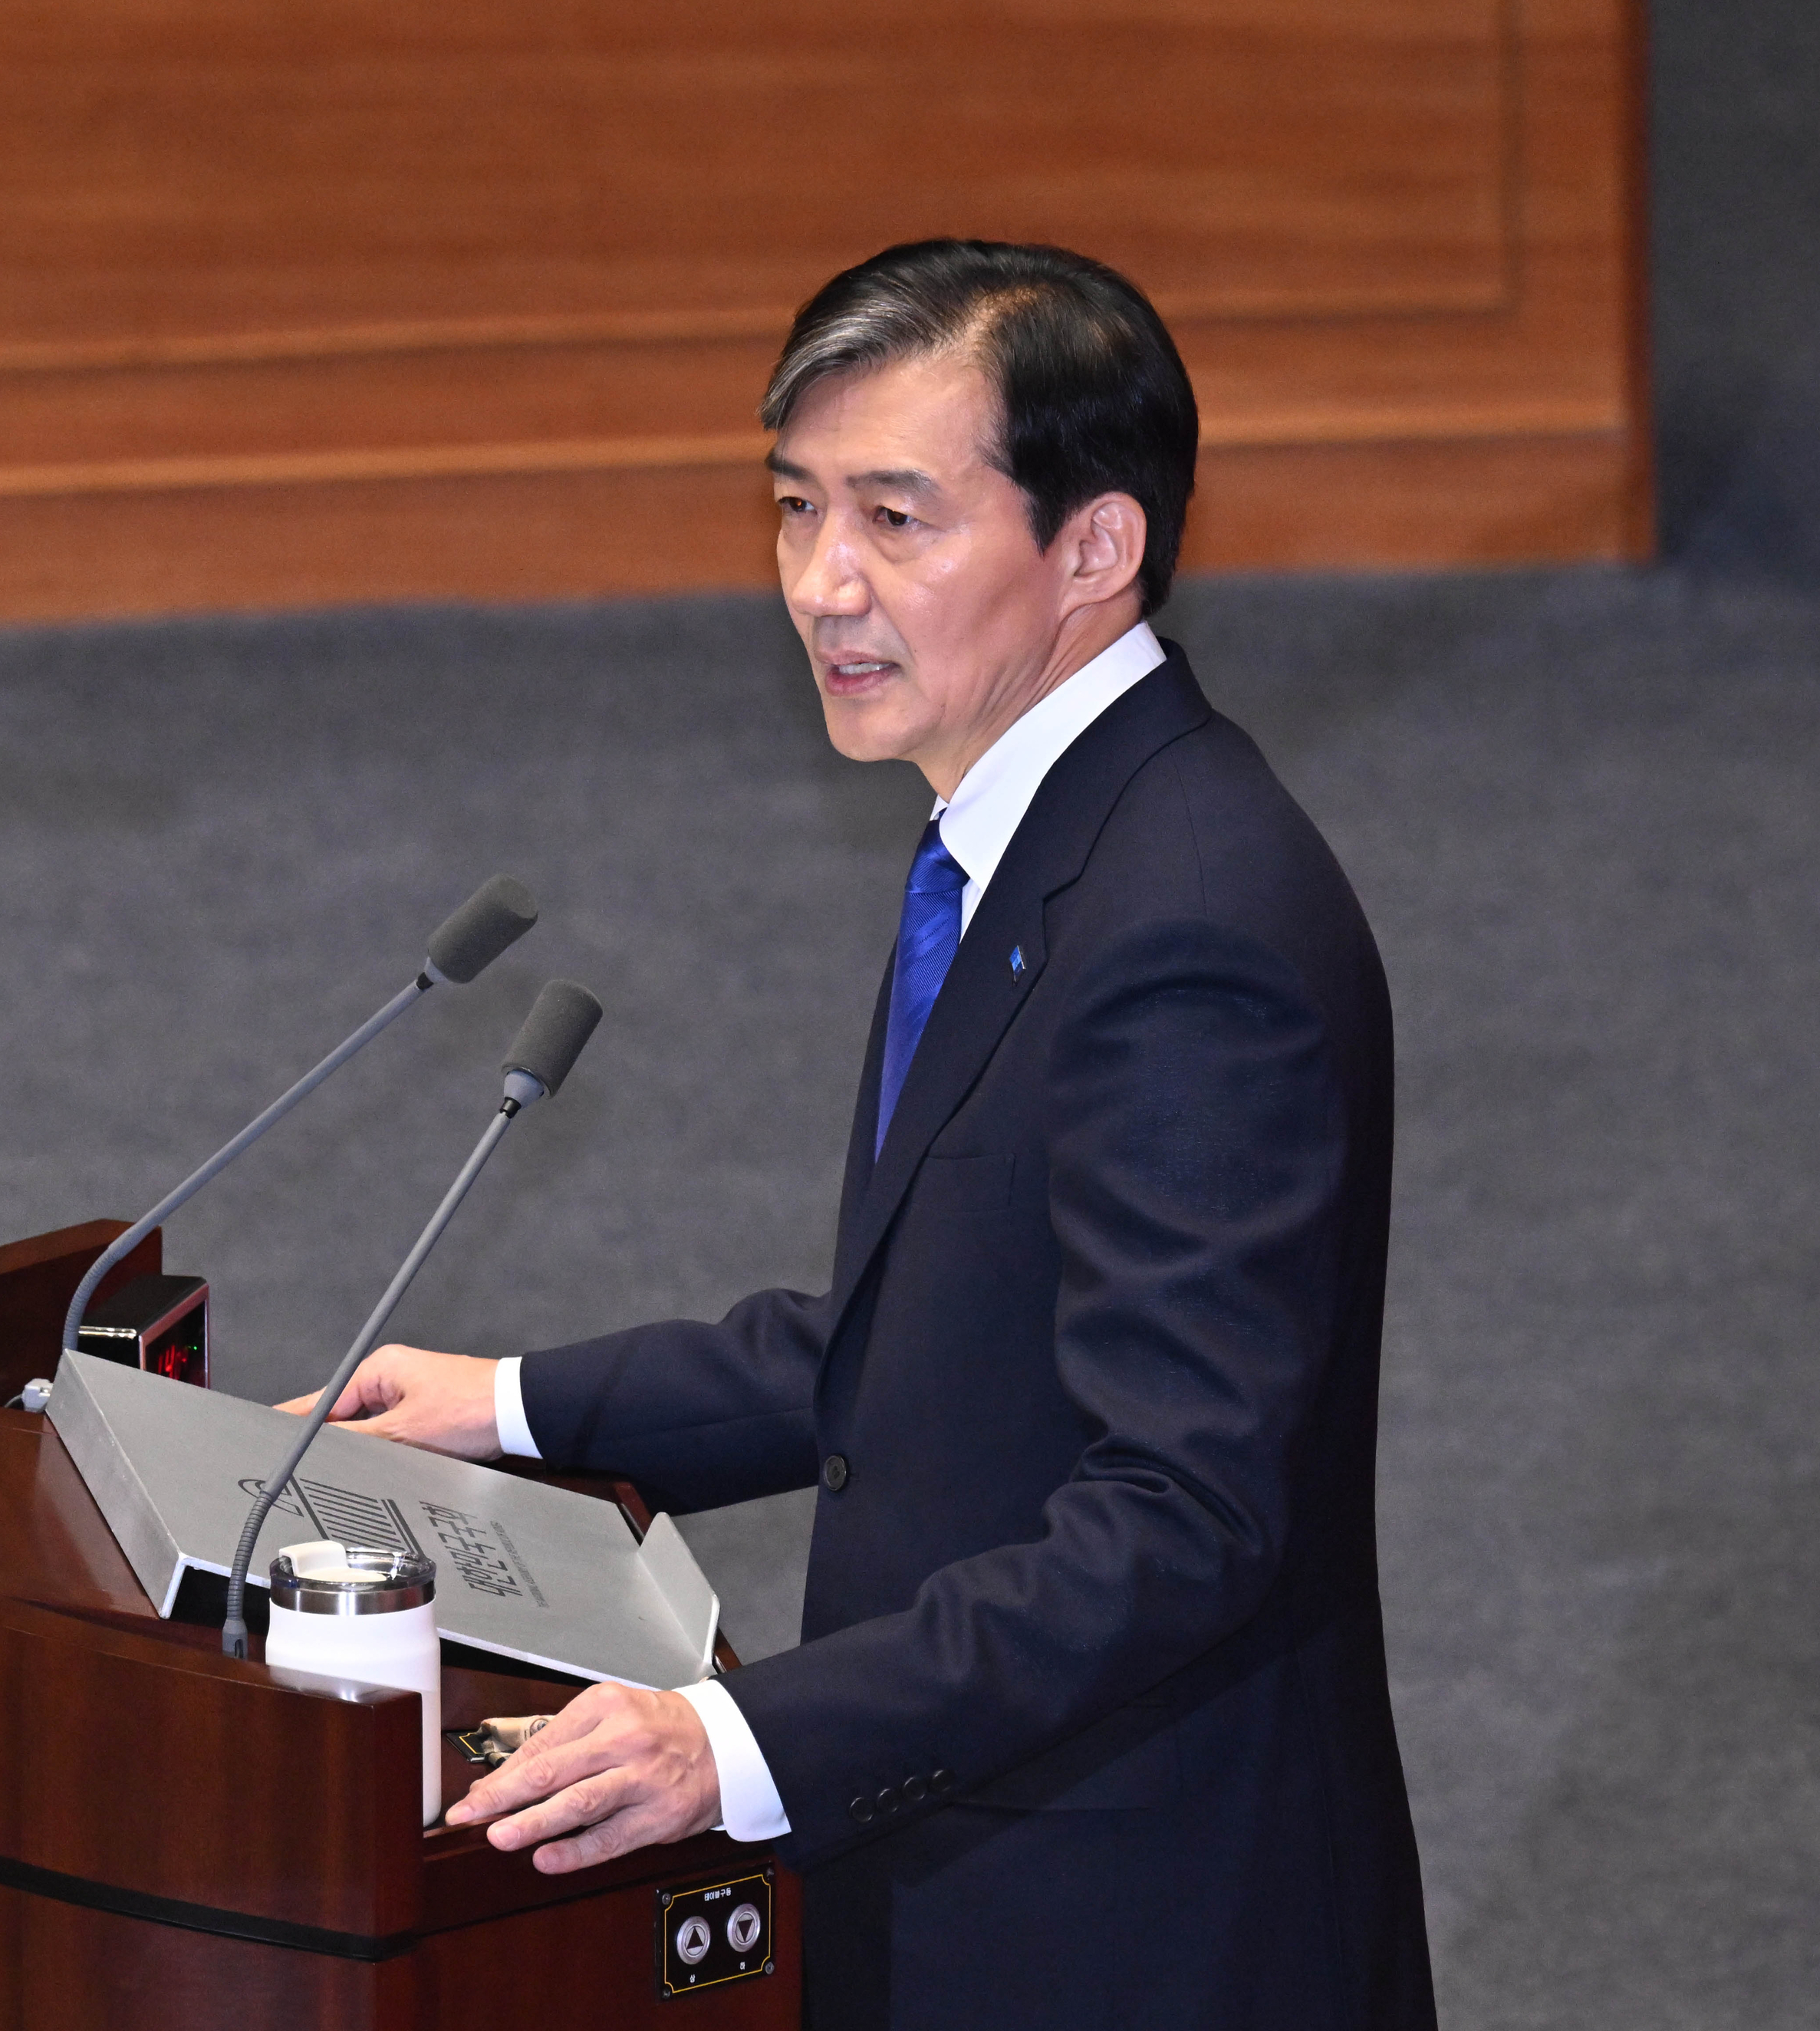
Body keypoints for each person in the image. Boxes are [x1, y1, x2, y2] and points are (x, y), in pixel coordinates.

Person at [283, 240, 1436, 2028]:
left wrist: (729, 1741)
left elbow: (1184, 1513)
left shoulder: (1190, 926)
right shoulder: (1027, 836)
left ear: (1094, 547)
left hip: (1128, 1924)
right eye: (795, 507)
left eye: (896, 520)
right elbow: (951, 1339)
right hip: (984, 1857)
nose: (821, 584)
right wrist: (504, 1404)